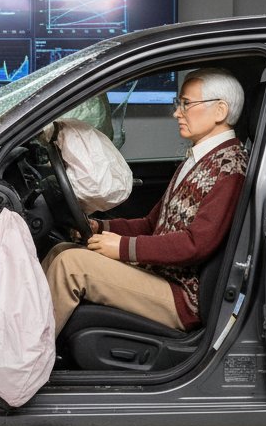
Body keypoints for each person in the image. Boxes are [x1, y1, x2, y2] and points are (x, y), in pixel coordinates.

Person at [42, 67, 248, 335]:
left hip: (181, 296)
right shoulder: (200, 159)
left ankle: (27, 358)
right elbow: (153, 223)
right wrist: (102, 228)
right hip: (161, 274)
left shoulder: (229, 168)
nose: (177, 112)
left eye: (186, 104)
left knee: (70, 266)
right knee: (63, 250)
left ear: (220, 110)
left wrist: (124, 248)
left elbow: (196, 244)